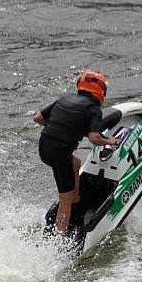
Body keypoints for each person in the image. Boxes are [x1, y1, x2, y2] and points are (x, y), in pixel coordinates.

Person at [33, 70, 119, 237]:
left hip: (44, 147)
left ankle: (77, 202)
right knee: (64, 200)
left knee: (76, 163)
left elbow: (38, 118)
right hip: (60, 153)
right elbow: (94, 138)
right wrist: (110, 141)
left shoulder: (64, 99)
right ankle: (59, 241)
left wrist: (63, 127)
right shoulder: (93, 109)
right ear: (100, 91)